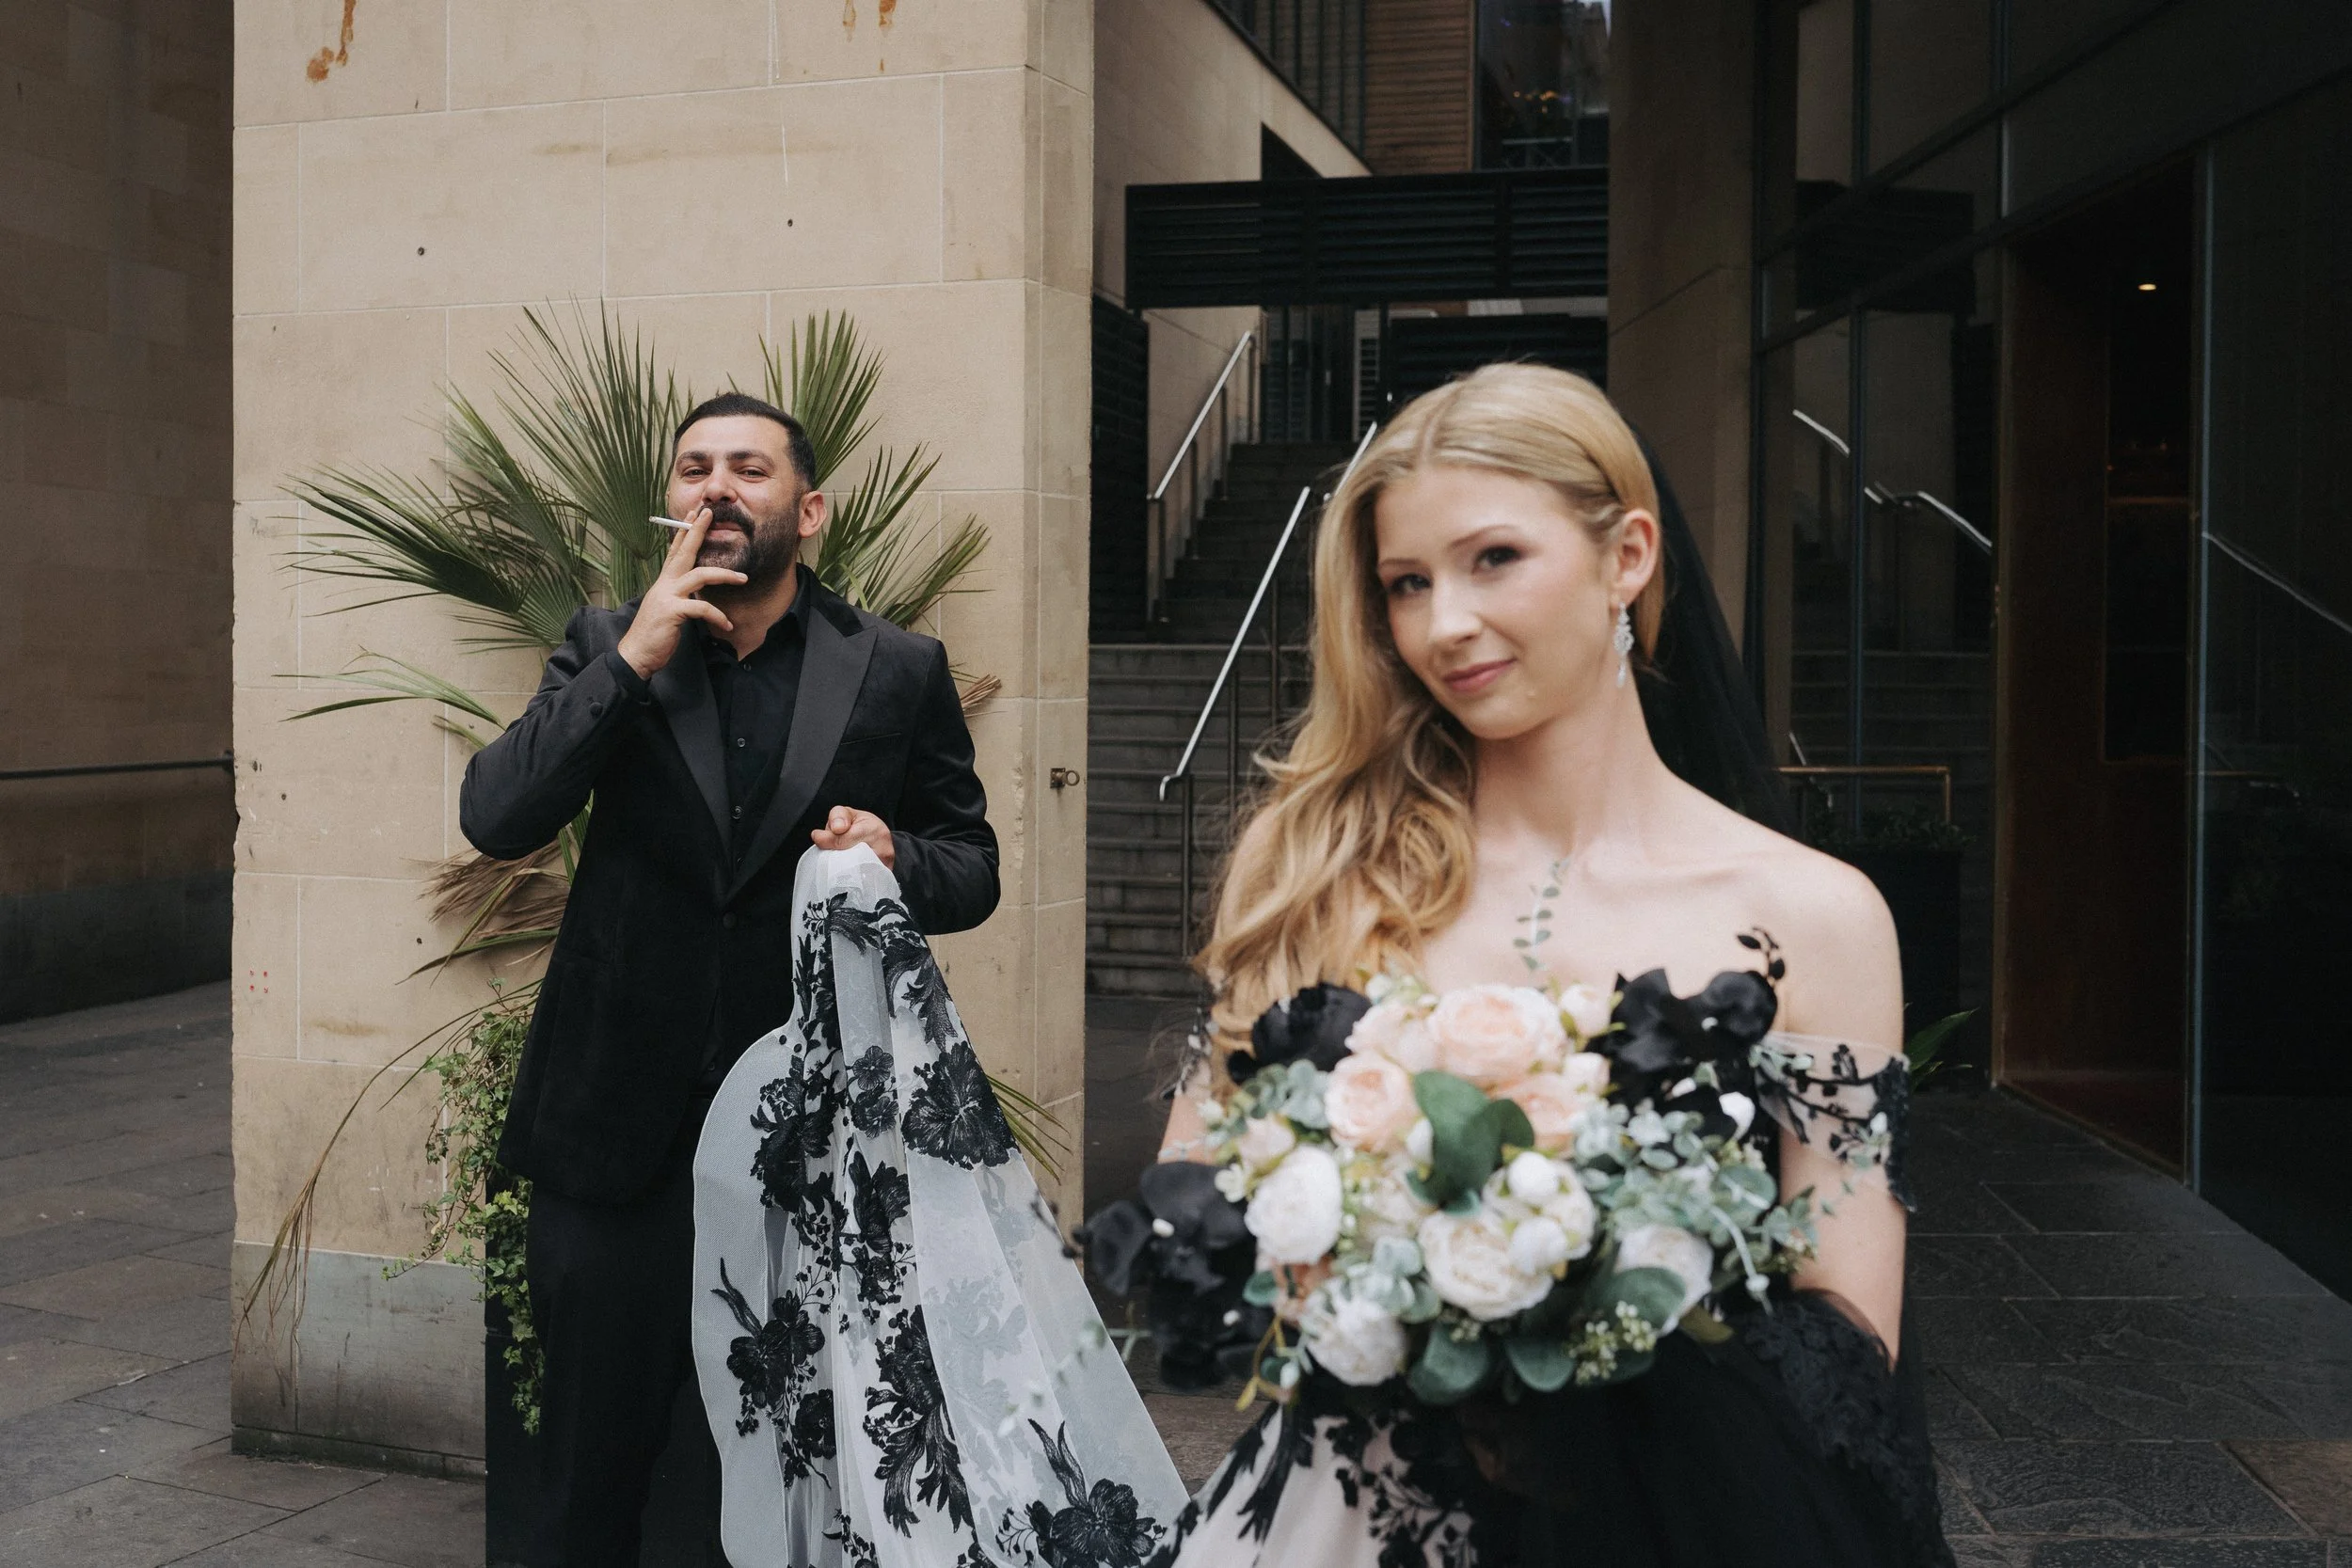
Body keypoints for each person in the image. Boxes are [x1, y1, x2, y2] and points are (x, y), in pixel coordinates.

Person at [1134, 365, 1949, 1566]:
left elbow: (1848, 1324)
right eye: (1406, 583)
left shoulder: (1813, 915)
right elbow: (1185, 1207)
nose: (1442, 622)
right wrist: (1366, 1271)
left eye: (1492, 559)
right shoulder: (1314, 865)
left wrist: (1578, 1310)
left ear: (1627, 555)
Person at [460, 390, 999, 1566]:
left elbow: (974, 869)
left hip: (802, 1150)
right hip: (612, 1140)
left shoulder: (897, 668)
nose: (716, 486)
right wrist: (639, 654)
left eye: (747, 469)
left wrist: (897, 852)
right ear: (670, 504)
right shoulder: (608, 642)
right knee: (584, 1479)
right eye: (695, 467)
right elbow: (497, 814)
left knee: (782, 1477)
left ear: (806, 510)